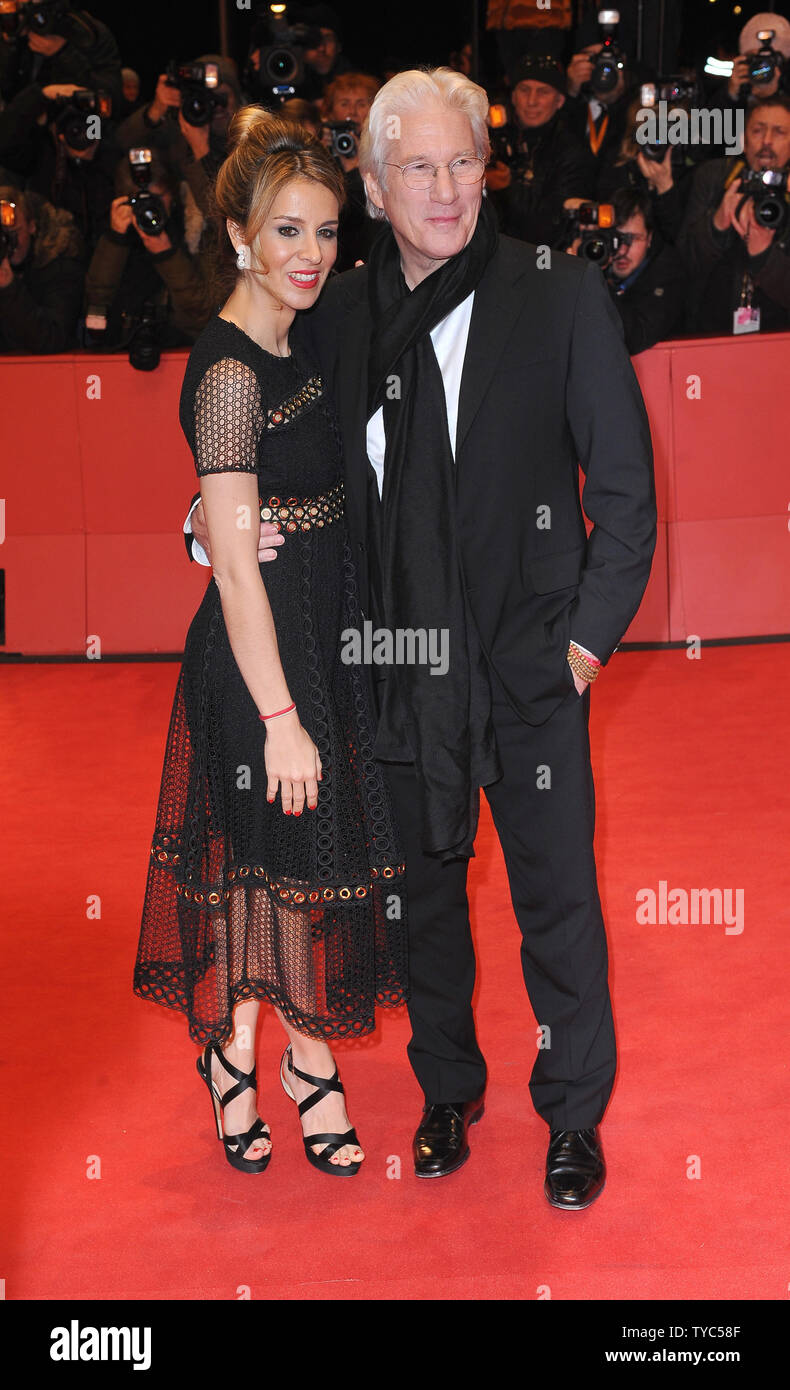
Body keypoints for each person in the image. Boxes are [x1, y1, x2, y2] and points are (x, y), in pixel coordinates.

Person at [187, 68, 656, 1208]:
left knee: (557, 898)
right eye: (417, 168)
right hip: (393, 666)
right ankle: (447, 1087)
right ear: (376, 181)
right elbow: (257, 443)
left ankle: (572, 1114)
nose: (444, 190)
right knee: (423, 897)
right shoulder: (338, 312)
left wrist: (582, 650)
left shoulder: (557, 295)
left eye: (463, 163)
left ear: (487, 169)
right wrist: (209, 522)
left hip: (530, 664)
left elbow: (628, 497)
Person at [133, 109, 408, 1176]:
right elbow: (238, 560)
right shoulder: (233, 373)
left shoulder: (308, 330)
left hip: (324, 636)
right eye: (285, 231)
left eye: (326, 232)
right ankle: (302, 1060)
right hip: (260, 666)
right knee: (279, 864)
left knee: (274, 868)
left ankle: (236, 1047)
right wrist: (283, 718)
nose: (309, 254)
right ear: (239, 234)